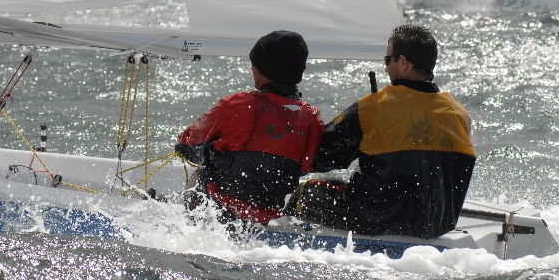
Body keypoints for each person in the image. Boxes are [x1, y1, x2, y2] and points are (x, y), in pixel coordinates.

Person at [296, 24, 476, 239]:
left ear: (403, 63)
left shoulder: (372, 108)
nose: (385, 68)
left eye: (387, 60)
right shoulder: (459, 113)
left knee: (305, 193)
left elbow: (322, 156)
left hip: (373, 221)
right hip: (433, 225)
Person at [175, 30, 325, 224]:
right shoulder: (311, 118)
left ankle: (184, 220)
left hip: (220, 214)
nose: (252, 68)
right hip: (270, 218)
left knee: (203, 166)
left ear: (261, 70)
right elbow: (306, 165)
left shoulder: (239, 104)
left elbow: (188, 142)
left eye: (254, 65)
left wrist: (210, 149)